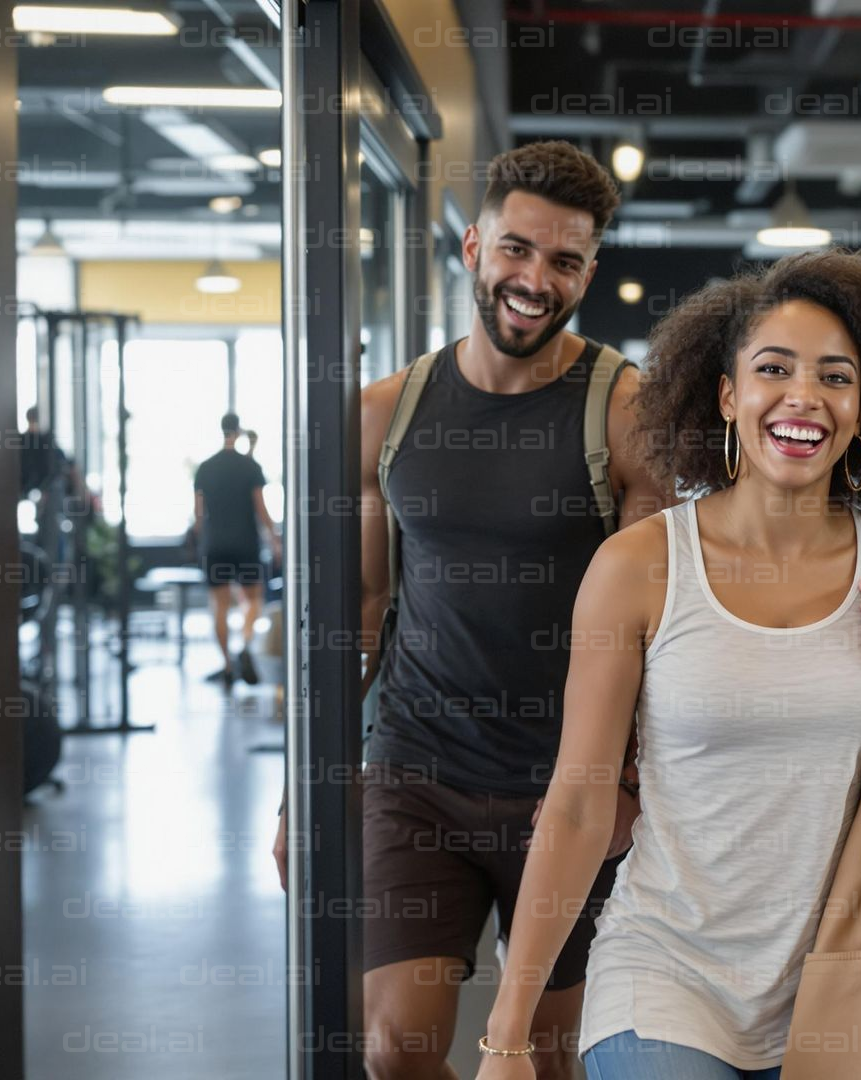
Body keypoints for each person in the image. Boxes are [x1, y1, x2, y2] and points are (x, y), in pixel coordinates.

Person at [474, 249, 861, 1080]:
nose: (803, 398)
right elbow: (575, 803)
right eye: (773, 369)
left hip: (837, 981)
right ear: (726, 395)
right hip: (662, 970)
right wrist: (508, 1030)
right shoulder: (639, 566)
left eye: (835, 377)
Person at [269, 140, 674, 1080]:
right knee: (396, 1050)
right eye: (518, 251)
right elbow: (362, 609)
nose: (536, 280)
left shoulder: (626, 412)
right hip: (417, 769)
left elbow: (661, 624)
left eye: (564, 261)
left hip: (565, 787)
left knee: (549, 1055)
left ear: (588, 271)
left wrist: (628, 777)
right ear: (473, 248)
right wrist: (307, 777)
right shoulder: (386, 414)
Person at [194, 410, 280, 689]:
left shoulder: (205, 467)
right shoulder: (249, 467)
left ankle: (228, 666)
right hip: (245, 543)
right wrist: (274, 539)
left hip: (215, 543)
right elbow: (261, 509)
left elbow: (198, 514)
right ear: (238, 430)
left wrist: (201, 540)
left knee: (219, 606)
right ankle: (244, 644)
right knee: (253, 600)